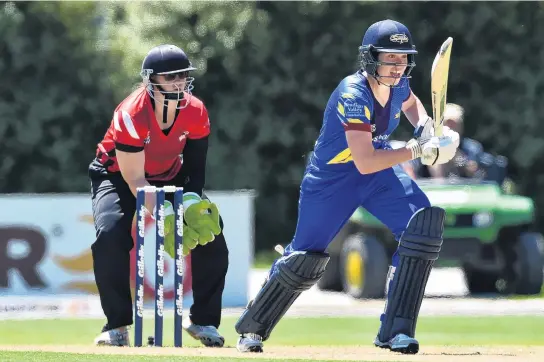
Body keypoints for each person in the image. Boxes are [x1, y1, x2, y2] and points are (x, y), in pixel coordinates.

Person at [234, 19, 460, 355]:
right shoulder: (352, 94)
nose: (397, 67)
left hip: (378, 173)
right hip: (333, 179)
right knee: (304, 257)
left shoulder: (398, 84)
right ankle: (252, 328)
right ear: (370, 57)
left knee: (422, 228)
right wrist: (417, 149)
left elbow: (411, 104)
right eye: (389, 58)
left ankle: (396, 332)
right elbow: (363, 160)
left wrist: (427, 127)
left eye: (402, 59)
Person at [88, 44, 229, 347]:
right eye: (171, 77)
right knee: (110, 236)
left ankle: (204, 321)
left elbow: (195, 171)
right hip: (116, 174)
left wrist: (190, 204)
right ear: (151, 81)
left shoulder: (196, 110)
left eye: (183, 76)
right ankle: (117, 326)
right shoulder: (131, 113)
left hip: (169, 173)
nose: (179, 82)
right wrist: (163, 214)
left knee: (211, 237)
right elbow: (134, 178)